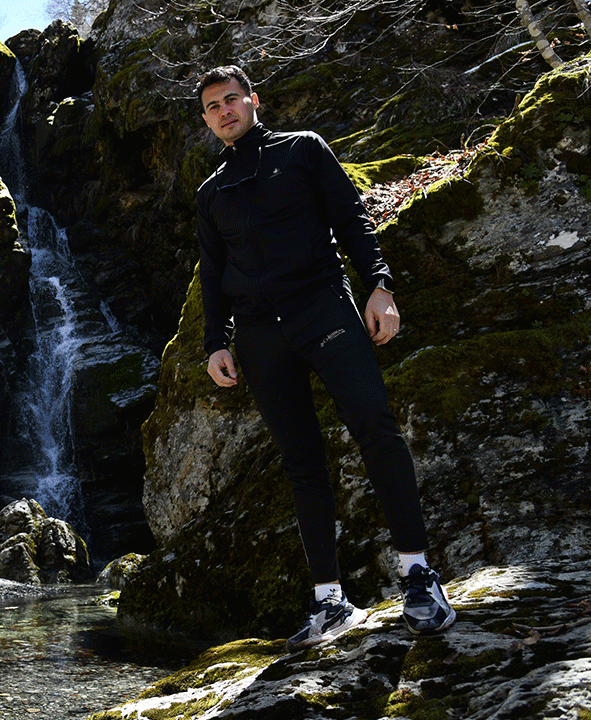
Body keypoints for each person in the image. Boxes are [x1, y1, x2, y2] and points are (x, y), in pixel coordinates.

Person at [193, 65, 456, 651]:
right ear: (206, 120)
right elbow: (213, 273)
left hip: (323, 308)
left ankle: (418, 575)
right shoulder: (211, 193)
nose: (224, 111)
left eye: (231, 99)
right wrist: (215, 342)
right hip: (259, 336)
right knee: (301, 462)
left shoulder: (304, 149)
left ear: (253, 101)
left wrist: (380, 286)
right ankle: (330, 601)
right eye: (212, 107)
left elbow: (350, 217)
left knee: (375, 427)